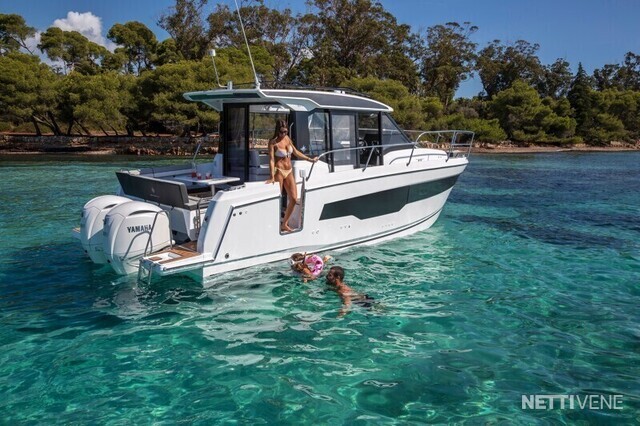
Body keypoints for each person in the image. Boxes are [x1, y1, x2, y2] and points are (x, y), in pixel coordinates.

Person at [265, 119, 318, 232]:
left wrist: (310, 159)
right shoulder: (272, 142)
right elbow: (271, 160)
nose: (283, 134)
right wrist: (272, 176)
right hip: (279, 171)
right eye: (281, 132)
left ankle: (284, 223)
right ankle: (273, 225)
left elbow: (296, 152)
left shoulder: (287, 139)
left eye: (285, 131)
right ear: (277, 131)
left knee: (293, 198)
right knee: (278, 199)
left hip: (289, 171)